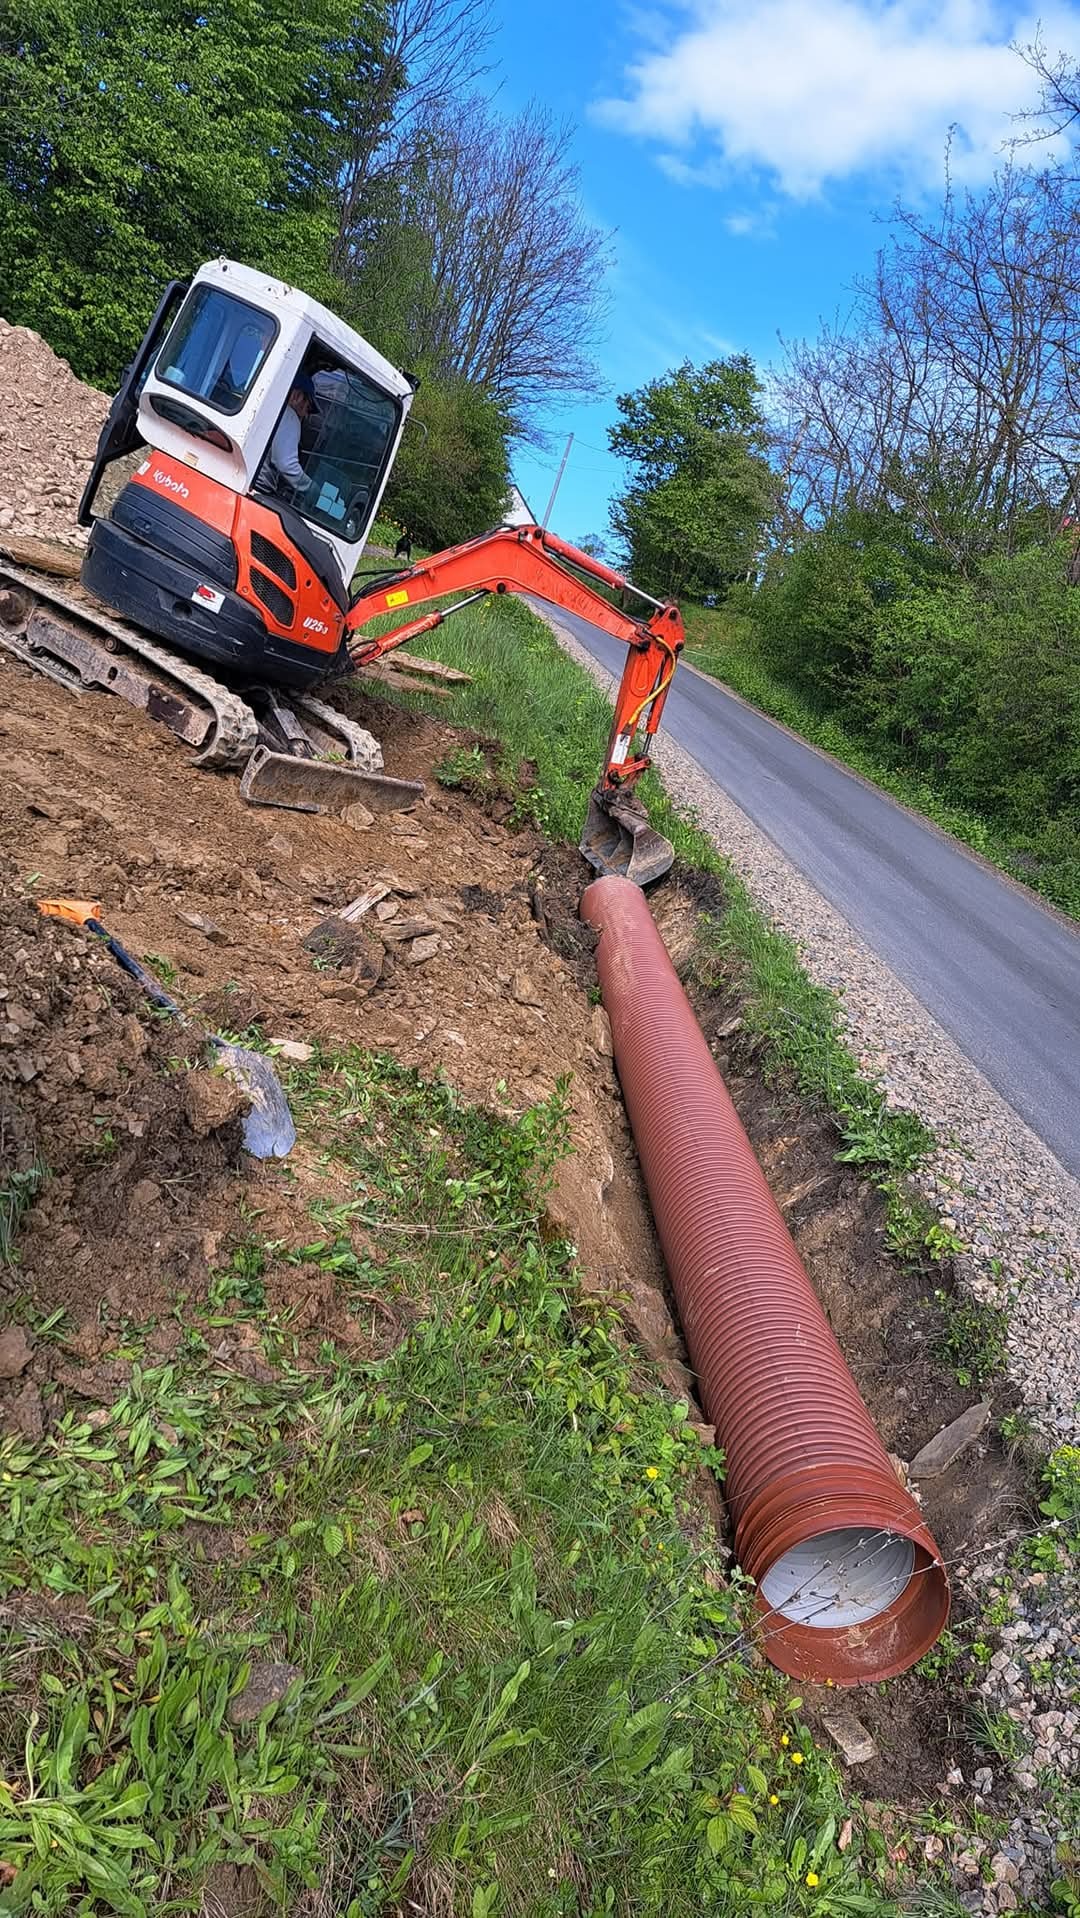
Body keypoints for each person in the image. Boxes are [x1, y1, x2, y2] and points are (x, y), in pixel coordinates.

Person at [266, 374, 317, 495]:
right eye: (307, 407)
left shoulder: (269, 404)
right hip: (260, 485)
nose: (305, 414)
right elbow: (286, 464)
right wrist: (311, 488)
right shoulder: (289, 416)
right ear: (296, 396)